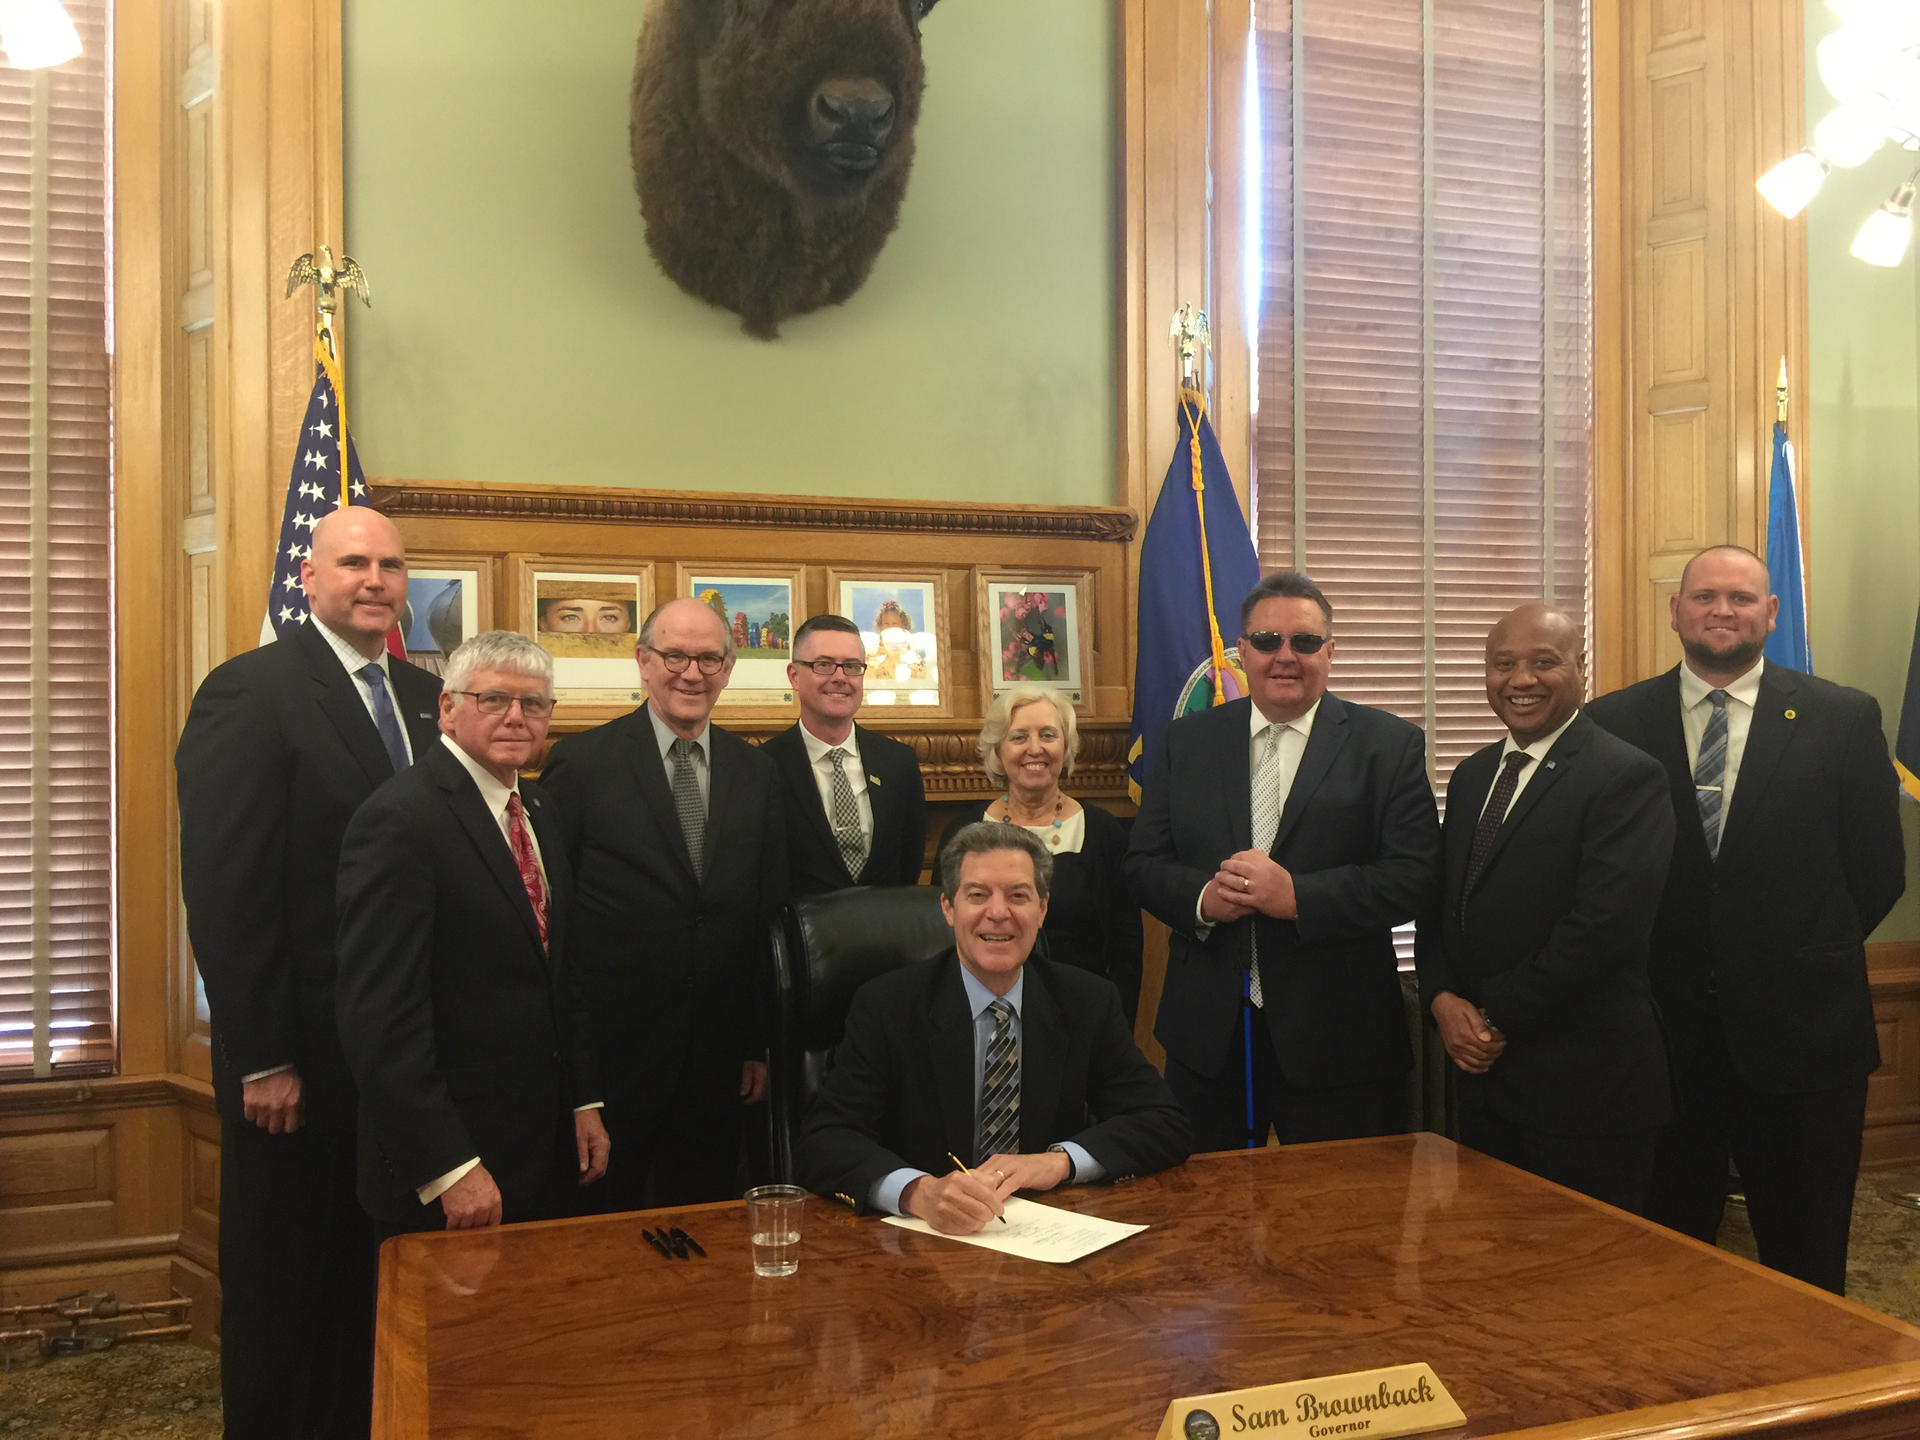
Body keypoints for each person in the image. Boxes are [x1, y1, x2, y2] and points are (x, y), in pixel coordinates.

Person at [174, 506, 442, 1440]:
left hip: (402, 1054)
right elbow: (227, 891)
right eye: (355, 563)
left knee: (376, 1277)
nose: (376, 580)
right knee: (288, 1283)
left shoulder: (422, 699)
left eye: (392, 566)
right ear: (309, 577)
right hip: (296, 1059)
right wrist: (261, 1056)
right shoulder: (250, 692)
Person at [1587, 545, 1906, 1291]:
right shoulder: (1612, 721)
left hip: (1806, 1038)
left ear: (1771, 613)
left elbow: (1877, 872)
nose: (1720, 611)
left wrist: (1787, 951)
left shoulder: (1843, 716)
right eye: (1704, 596)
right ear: (1676, 611)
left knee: (1808, 1254)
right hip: (1662, 1038)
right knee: (1666, 1257)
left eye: (1739, 598)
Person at [1126, 571, 1440, 1151]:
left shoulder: (1389, 745)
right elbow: (1144, 863)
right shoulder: (1185, 742)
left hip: (1339, 1040)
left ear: (1331, 651)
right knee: (1204, 1224)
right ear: (1242, 652)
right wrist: (1201, 899)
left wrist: (1299, 898)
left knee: (1342, 1227)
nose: (1285, 657)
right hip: (1208, 1037)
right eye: (1267, 642)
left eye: (1305, 642)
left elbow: (1414, 876)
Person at [334, 632, 609, 1235]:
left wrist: (583, 1101)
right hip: (451, 1166)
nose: (516, 717)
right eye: (494, 699)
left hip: (543, 1148)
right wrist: (448, 1166)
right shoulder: (400, 820)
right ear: (449, 708)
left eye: (534, 704)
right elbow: (380, 1020)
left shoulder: (537, 810)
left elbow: (562, 976)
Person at [797, 823, 1190, 1233]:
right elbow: (825, 1141)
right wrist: (917, 1192)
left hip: (1046, 1236)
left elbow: (1164, 1122)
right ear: (948, 908)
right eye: (978, 895)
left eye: (1018, 896)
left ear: (1042, 909)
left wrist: (1058, 1161)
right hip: (920, 1242)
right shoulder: (886, 1006)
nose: (999, 913)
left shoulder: (1086, 1001)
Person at [1416, 604, 1675, 1212]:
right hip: (1484, 1086)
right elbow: (1442, 902)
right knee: (1498, 1269)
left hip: (1586, 1092)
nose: (1520, 680)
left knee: (1587, 1284)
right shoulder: (1475, 773)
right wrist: (1441, 997)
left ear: (1581, 669)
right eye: (1503, 664)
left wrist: (1489, 1014)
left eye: (1544, 662)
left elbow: (1603, 928)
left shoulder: (1626, 776)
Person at [539, 596, 787, 1207]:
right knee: (604, 1237)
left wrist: (756, 1043)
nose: (691, 673)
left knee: (706, 1231)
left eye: (709, 658)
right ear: (643, 662)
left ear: (728, 668)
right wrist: (577, 1077)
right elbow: (557, 922)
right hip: (614, 1060)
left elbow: (766, 915)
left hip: (720, 1060)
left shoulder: (756, 772)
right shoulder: (583, 762)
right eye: (674, 655)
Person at [938, 687, 1145, 1025]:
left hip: (1081, 1021)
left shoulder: (1103, 833)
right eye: (1019, 736)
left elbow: (1126, 952)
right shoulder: (964, 832)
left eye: (1048, 735)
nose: (1035, 748)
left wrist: (1114, 1034)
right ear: (998, 751)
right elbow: (943, 941)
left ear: (1065, 747)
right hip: (978, 1019)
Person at [763, 613, 928, 893]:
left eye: (851, 666)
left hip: (883, 931)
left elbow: (907, 866)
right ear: (794, 676)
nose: (840, 678)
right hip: (798, 933)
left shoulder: (898, 763)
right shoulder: (763, 767)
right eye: (824, 665)